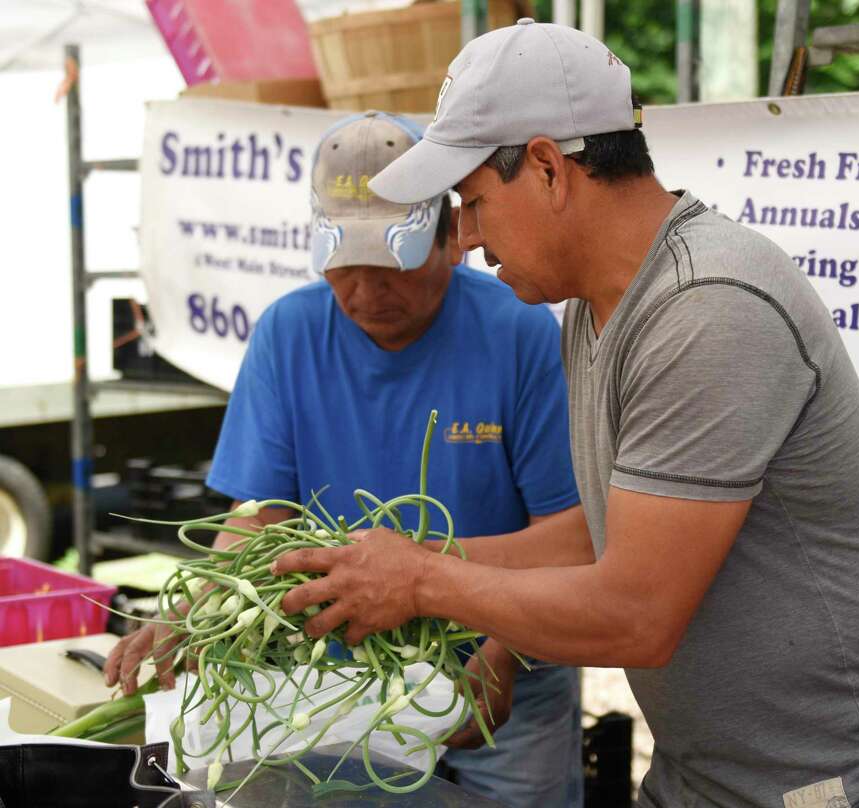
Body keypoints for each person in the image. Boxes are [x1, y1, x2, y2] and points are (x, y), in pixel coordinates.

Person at [270, 19, 859, 808]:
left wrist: (420, 582)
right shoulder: (590, 305)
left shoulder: (710, 308)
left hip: (826, 784)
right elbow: (594, 540)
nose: (467, 240)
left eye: (473, 202)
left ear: (547, 167)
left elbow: (635, 614)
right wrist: (407, 558)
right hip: (704, 775)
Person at [105, 110, 585, 808]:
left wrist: (502, 649)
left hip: (501, 673)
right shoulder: (288, 334)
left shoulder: (520, 334)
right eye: (343, 266)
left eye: (391, 265)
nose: (365, 294)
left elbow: (573, 537)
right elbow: (260, 516)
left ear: (451, 235)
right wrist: (195, 614)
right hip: (340, 679)